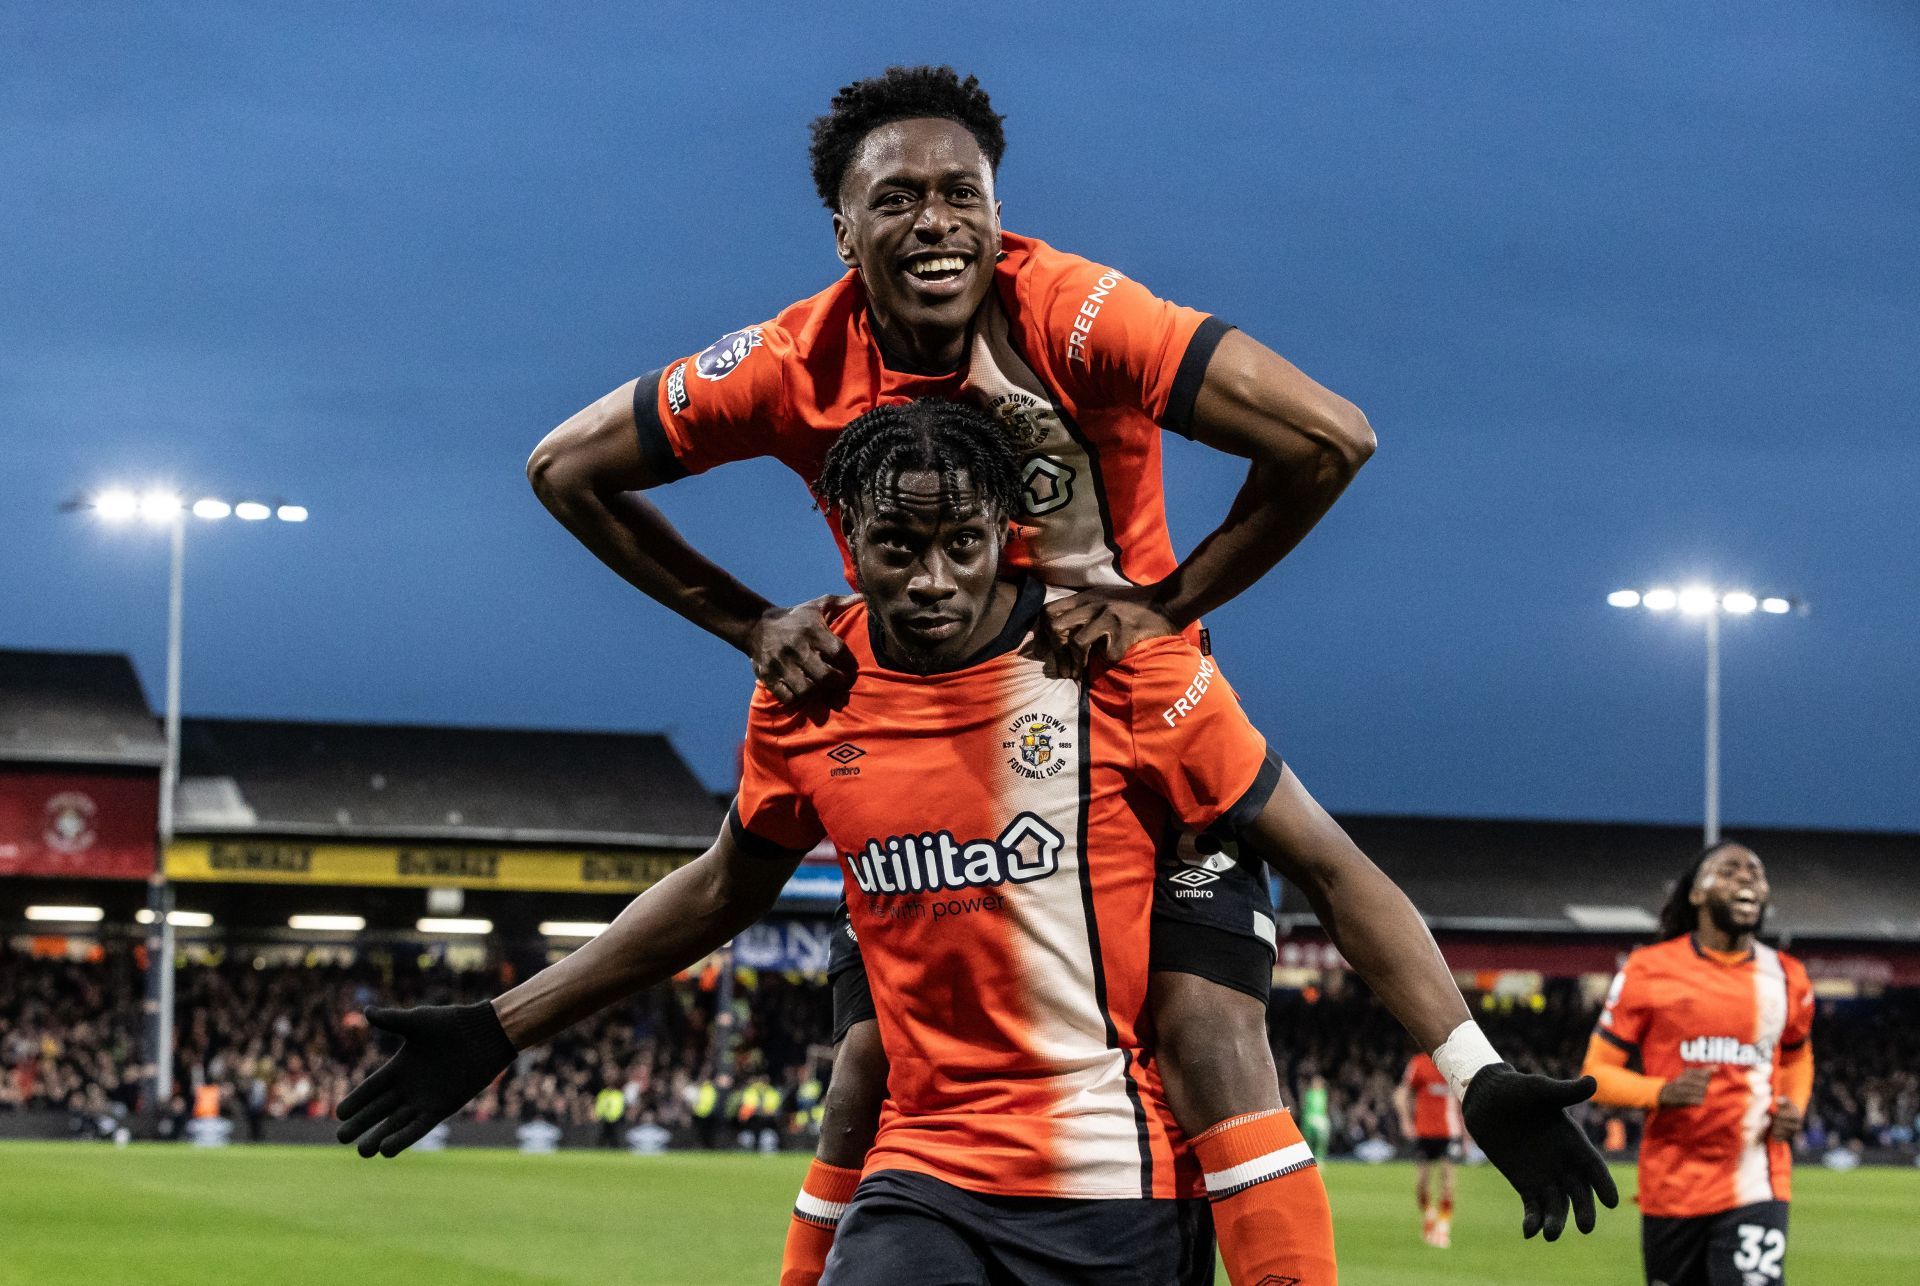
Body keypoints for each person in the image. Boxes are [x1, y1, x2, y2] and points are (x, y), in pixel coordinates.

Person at [352, 400, 1614, 1285]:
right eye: (899, 547)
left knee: (1219, 1035)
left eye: (966, 543)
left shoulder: (1120, 665)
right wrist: (501, 1025)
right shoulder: (811, 687)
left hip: (1115, 1184)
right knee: (862, 1078)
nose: (936, 578)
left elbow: (1335, 867)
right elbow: (720, 886)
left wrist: (1475, 1066)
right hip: (930, 1178)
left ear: (1008, 531)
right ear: (849, 537)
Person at [526, 65, 1379, 1284]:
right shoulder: (787, 359)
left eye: (960, 192)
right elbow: (564, 466)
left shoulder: (1077, 312)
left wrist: (1163, 603)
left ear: (997, 205)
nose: (935, 221)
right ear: (842, 231)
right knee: (862, 1076)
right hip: (922, 745)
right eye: (897, 199)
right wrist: (748, 621)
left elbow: (1331, 434)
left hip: (1128, 718)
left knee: (1210, 1038)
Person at [1581, 841, 1815, 1286]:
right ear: (1696, 893)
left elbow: (1798, 1055)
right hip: (1672, 1188)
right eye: (1729, 870)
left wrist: (1794, 1105)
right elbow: (1596, 1074)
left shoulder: (1788, 977)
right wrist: (1660, 1092)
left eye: (1755, 871)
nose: (1746, 876)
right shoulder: (1647, 970)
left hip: (1756, 1178)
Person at [1393, 1049, 1462, 1247]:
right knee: (1422, 1183)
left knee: (1447, 1181)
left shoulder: (1453, 1062)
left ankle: (1443, 1226)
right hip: (1424, 1132)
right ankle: (1430, 1216)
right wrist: (1405, 1121)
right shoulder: (1419, 1063)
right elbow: (1401, 1093)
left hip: (1450, 1132)